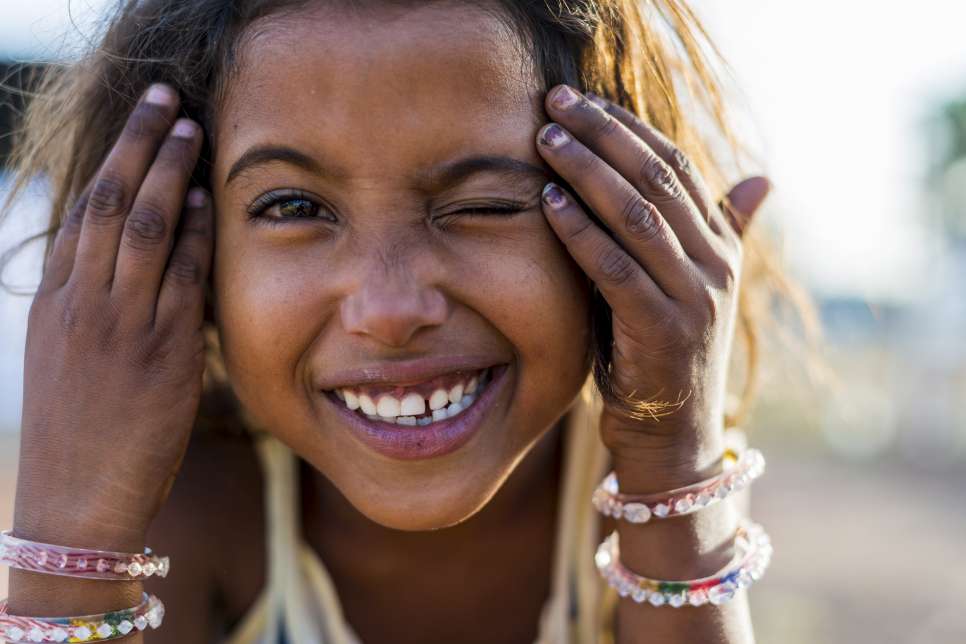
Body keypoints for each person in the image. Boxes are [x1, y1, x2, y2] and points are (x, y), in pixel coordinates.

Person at [0, 0, 813, 642]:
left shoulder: (636, 491)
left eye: (486, 203)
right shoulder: (192, 508)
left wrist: (673, 459)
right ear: (192, 249)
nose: (390, 311)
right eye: (293, 206)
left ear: (623, 224)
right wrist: (72, 534)